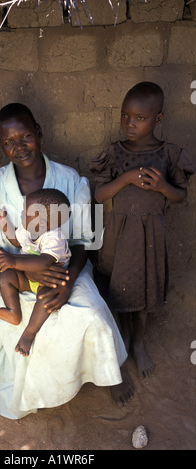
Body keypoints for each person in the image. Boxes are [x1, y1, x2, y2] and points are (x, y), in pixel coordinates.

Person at [0, 102, 129, 420]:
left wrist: (68, 279)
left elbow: (87, 242)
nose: (18, 146)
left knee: (94, 314)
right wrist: (11, 260)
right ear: (1, 146)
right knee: (29, 332)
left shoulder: (72, 179)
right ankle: (42, 386)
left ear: (39, 133)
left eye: (25, 136)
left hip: (65, 267)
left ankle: (109, 372)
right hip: (14, 271)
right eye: (8, 141)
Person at [90, 81, 196, 379]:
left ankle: (138, 343)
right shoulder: (115, 153)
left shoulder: (169, 155)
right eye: (125, 116)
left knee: (145, 289)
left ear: (158, 119)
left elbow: (181, 196)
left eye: (140, 118)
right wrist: (125, 179)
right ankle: (124, 338)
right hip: (120, 236)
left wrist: (162, 186)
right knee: (120, 289)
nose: (130, 123)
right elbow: (100, 195)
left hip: (151, 235)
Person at [0, 188, 72, 357]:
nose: (21, 213)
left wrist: (14, 261)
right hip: (28, 277)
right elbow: (16, 240)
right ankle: (14, 312)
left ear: (41, 223)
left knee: (46, 298)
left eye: (25, 212)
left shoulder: (54, 238)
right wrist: (3, 221)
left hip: (48, 281)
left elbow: (44, 262)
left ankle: (29, 333)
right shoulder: (28, 229)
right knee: (6, 275)